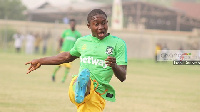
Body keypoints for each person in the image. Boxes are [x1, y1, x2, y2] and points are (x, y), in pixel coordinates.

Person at [25, 9, 127, 112]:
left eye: (103, 23)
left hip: (97, 93)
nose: (101, 27)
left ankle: (83, 89)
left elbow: (122, 76)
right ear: (89, 26)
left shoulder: (118, 44)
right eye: (96, 24)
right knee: (85, 77)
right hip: (77, 84)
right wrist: (40, 61)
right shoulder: (82, 42)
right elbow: (65, 57)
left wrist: (114, 66)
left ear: (107, 23)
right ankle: (82, 87)